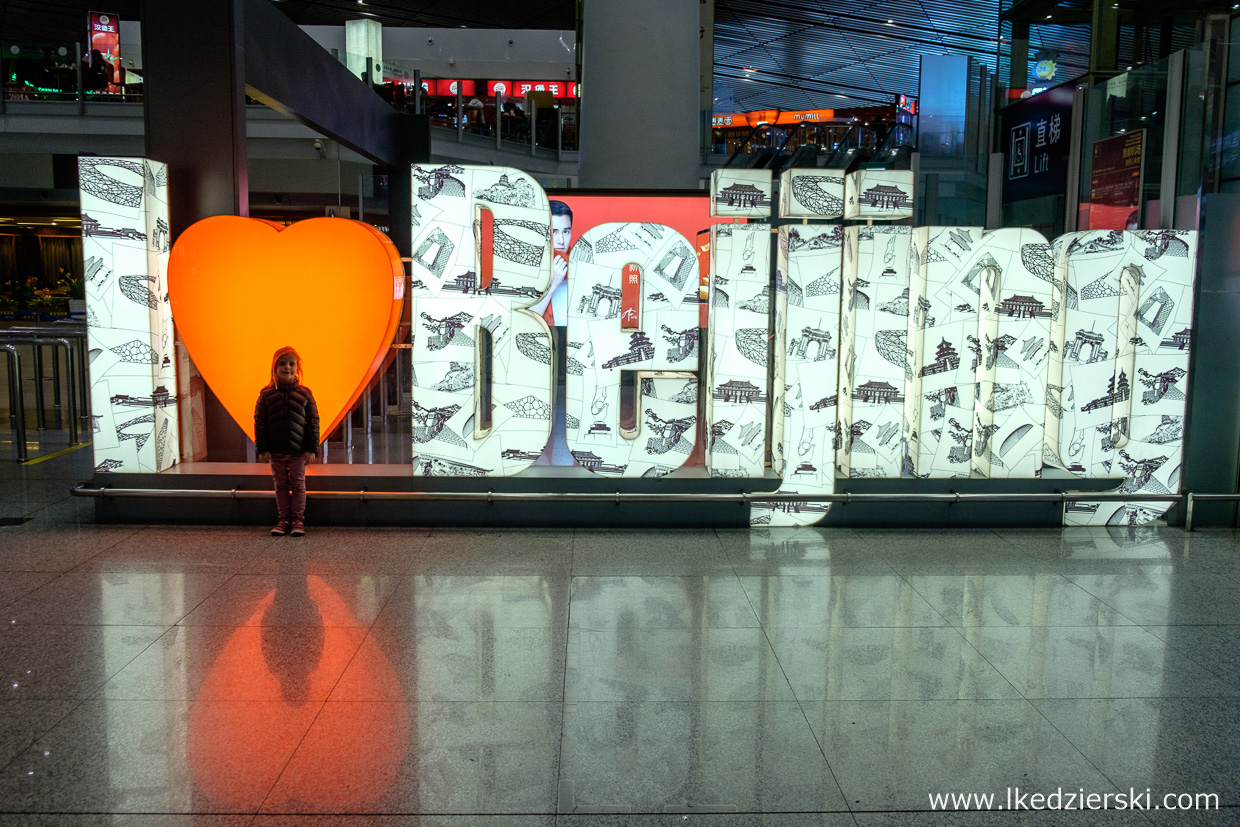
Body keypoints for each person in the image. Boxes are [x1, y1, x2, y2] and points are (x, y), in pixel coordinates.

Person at [254, 346, 320, 536]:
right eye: (282, 364)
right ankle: (283, 520)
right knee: (280, 485)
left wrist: (311, 449)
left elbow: (313, 422)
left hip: (298, 452)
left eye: (292, 364)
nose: (287, 367)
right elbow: (260, 423)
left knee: (298, 485)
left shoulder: (306, 394)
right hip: (275, 451)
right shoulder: (265, 395)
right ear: (274, 368)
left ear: (298, 368)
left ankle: (298, 521)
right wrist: (262, 448)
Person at [530, 199, 572, 326]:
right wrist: (552, 284)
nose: (561, 240)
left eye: (566, 232)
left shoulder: (580, 267)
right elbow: (526, 321)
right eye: (554, 232)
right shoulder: (529, 270)